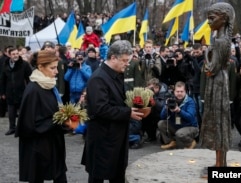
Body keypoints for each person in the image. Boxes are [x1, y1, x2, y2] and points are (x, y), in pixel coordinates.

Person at [81, 40, 143, 183]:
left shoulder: (115, 73)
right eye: (124, 60)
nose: (127, 64)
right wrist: (128, 113)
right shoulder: (98, 78)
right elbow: (100, 108)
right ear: (113, 57)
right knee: (98, 176)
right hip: (102, 138)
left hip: (115, 135)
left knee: (117, 174)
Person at [15, 50, 68, 183]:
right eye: (52, 68)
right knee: (37, 177)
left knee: (60, 176)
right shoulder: (33, 89)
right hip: (38, 147)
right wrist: (57, 119)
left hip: (54, 142)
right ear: (40, 67)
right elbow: (28, 124)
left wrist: (67, 118)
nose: (56, 71)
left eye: (57, 67)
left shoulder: (50, 85)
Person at [199, 2, 235, 168]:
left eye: (212, 18)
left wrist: (206, 53)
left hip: (218, 83)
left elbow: (210, 70)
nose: (208, 22)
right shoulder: (221, 39)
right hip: (221, 80)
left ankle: (220, 166)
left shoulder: (220, 41)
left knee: (219, 122)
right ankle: (220, 163)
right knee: (219, 122)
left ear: (224, 18)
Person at [0, 48, 32, 135]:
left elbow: (29, 78)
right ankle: (12, 128)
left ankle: (22, 128)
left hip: (22, 91)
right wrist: (2, 92)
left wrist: (29, 90)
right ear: (9, 55)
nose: (16, 55)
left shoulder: (24, 64)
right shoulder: (5, 65)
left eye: (17, 53)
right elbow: (2, 79)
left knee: (23, 111)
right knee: (11, 112)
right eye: (13, 54)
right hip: (9, 92)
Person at [158, 81, 198, 149]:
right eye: (177, 91)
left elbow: (190, 118)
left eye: (181, 91)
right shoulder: (170, 100)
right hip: (176, 125)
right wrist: (166, 109)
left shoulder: (189, 101)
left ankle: (191, 142)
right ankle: (171, 142)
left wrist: (179, 111)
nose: (179, 93)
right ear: (174, 92)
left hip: (190, 126)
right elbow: (162, 117)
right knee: (161, 123)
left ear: (185, 91)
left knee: (179, 133)